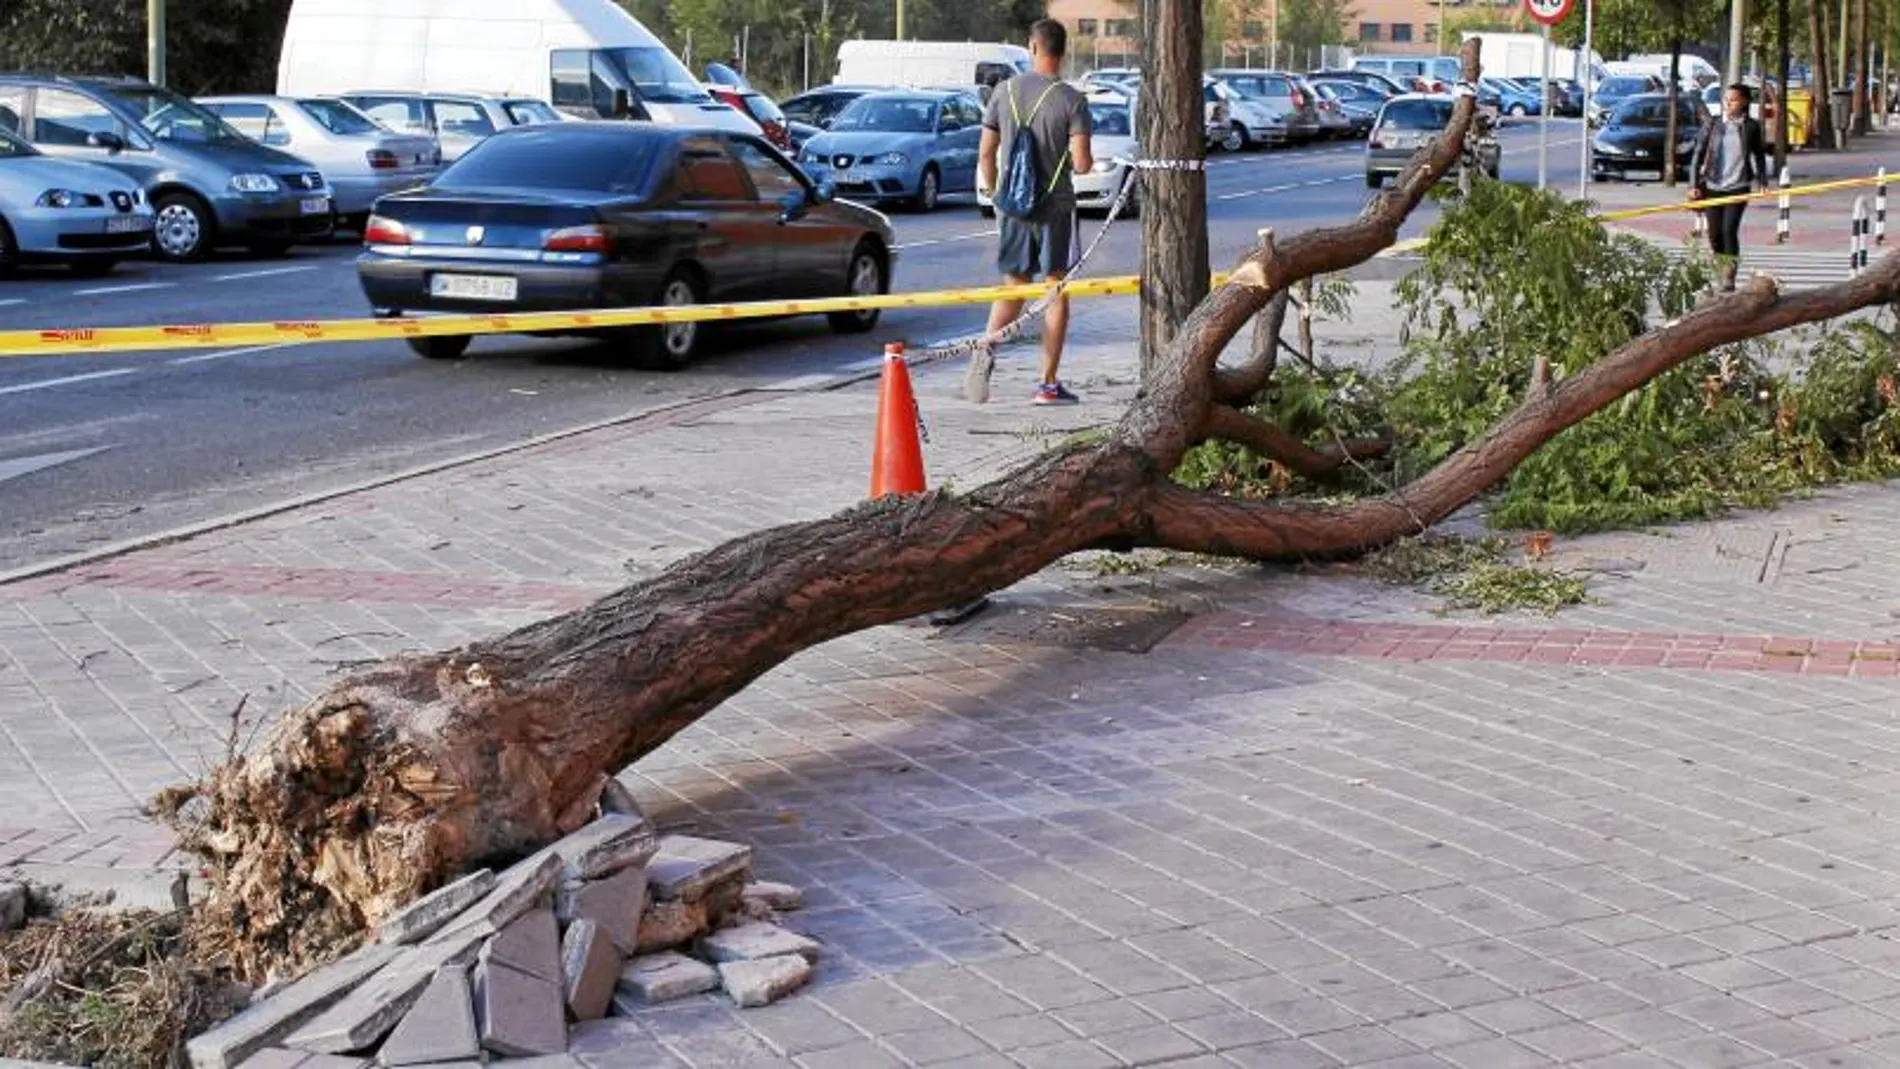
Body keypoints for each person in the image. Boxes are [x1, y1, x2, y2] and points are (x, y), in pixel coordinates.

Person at [966, 19, 1093, 406]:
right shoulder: (1072, 100)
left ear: (1033, 47)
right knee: (1056, 290)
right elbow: (1083, 164)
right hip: (1056, 208)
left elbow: (986, 153)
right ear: (1062, 52)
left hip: (1013, 209)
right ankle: (1047, 385)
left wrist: (994, 191)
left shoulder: (1003, 92)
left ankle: (986, 346)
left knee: (1014, 284)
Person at [1689, 83, 1770, 292]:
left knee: (1728, 230)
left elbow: (1759, 155)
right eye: (1725, 99)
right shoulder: (1713, 124)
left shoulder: (1751, 126)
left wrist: (1762, 181)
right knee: (1714, 234)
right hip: (1712, 185)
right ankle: (1720, 265)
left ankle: (1729, 275)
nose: (1727, 104)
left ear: (1743, 102)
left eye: (1733, 100)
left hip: (1738, 186)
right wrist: (1693, 185)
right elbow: (1698, 154)